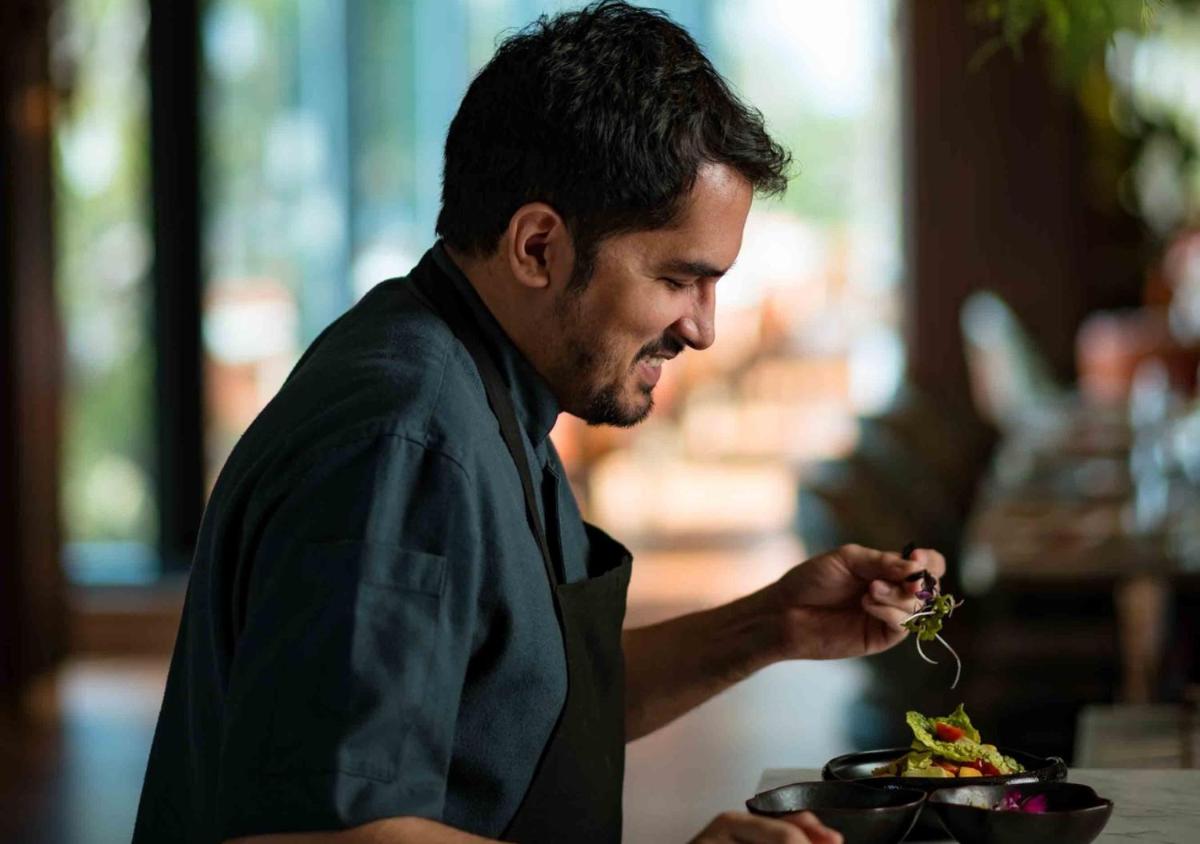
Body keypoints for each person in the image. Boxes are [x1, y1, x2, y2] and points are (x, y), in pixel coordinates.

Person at [133, 3, 945, 843]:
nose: (704, 327)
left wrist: (773, 624)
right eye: (679, 279)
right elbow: (328, 833)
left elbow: (526, 705)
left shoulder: (485, 378)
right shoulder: (405, 443)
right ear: (536, 248)